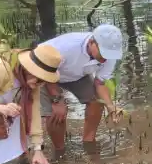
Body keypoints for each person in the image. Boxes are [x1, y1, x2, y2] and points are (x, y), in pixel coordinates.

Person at [38, 24, 125, 152]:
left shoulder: (109, 56)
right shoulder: (66, 47)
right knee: (57, 112)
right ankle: (60, 150)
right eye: (103, 53)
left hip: (77, 75)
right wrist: (57, 100)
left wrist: (110, 106)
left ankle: (88, 142)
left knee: (97, 102)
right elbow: (44, 68)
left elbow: (100, 83)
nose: (105, 58)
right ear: (91, 43)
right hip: (46, 72)